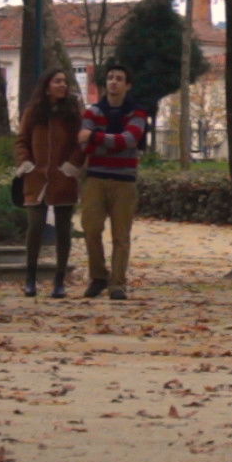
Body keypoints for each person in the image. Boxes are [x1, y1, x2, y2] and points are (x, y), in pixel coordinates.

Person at [77, 63, 147, 300]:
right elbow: (82, 140)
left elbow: (129, 139)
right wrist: (107, 140)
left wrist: (97, 137)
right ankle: (98, 276)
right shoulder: (93, 111)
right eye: (110, 78)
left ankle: (117, 284)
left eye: (119, 78)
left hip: (124, 181)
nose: (113, 82)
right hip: (95, 178)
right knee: (91, 228)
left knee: (121, 235)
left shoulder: (137, 113)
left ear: (128, 85)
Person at [13, 68, 84, 298]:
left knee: (63, 231)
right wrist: (26, 164)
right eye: (57, 81)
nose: (63, 85)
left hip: (63, 178)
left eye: (65, 81)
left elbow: (80, 144)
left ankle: (59, 281)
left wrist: (71, 166)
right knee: (35, 228)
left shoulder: (73, 112)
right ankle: (30, 279)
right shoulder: (33, 112)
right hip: (36, 178)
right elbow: (22, 141)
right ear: (47, 86)